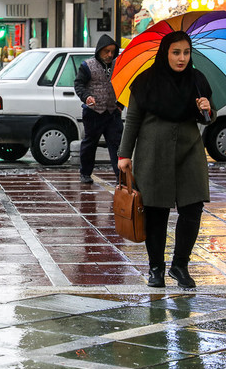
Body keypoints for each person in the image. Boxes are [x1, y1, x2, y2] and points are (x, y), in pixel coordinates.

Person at [117, 31, 216, 289]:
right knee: (156, 212)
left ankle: (180, 266)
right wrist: (124, 155)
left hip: (189, 153)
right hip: (153, 154)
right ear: (165, 53)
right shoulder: (145, 82)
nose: (182, 58)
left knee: (193, 210)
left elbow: (208, 118)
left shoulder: (197, 80)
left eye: (186, 52)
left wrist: (207, 110)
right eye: (176, 52)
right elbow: (133, 120)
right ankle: (156, 269)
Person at [74, 34, 123, 184]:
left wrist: (120, 104)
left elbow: (124, 85)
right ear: (99, 50)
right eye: (106, 51)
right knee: (90, 143)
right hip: (93, 112)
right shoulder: (87, 66)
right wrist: (87, 96)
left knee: (117, 145)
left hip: (112, 112)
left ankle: (120, 176)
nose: (110, 55)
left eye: (112, 52)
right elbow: (79, 85)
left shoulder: (118, 65)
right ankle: (85, 173)